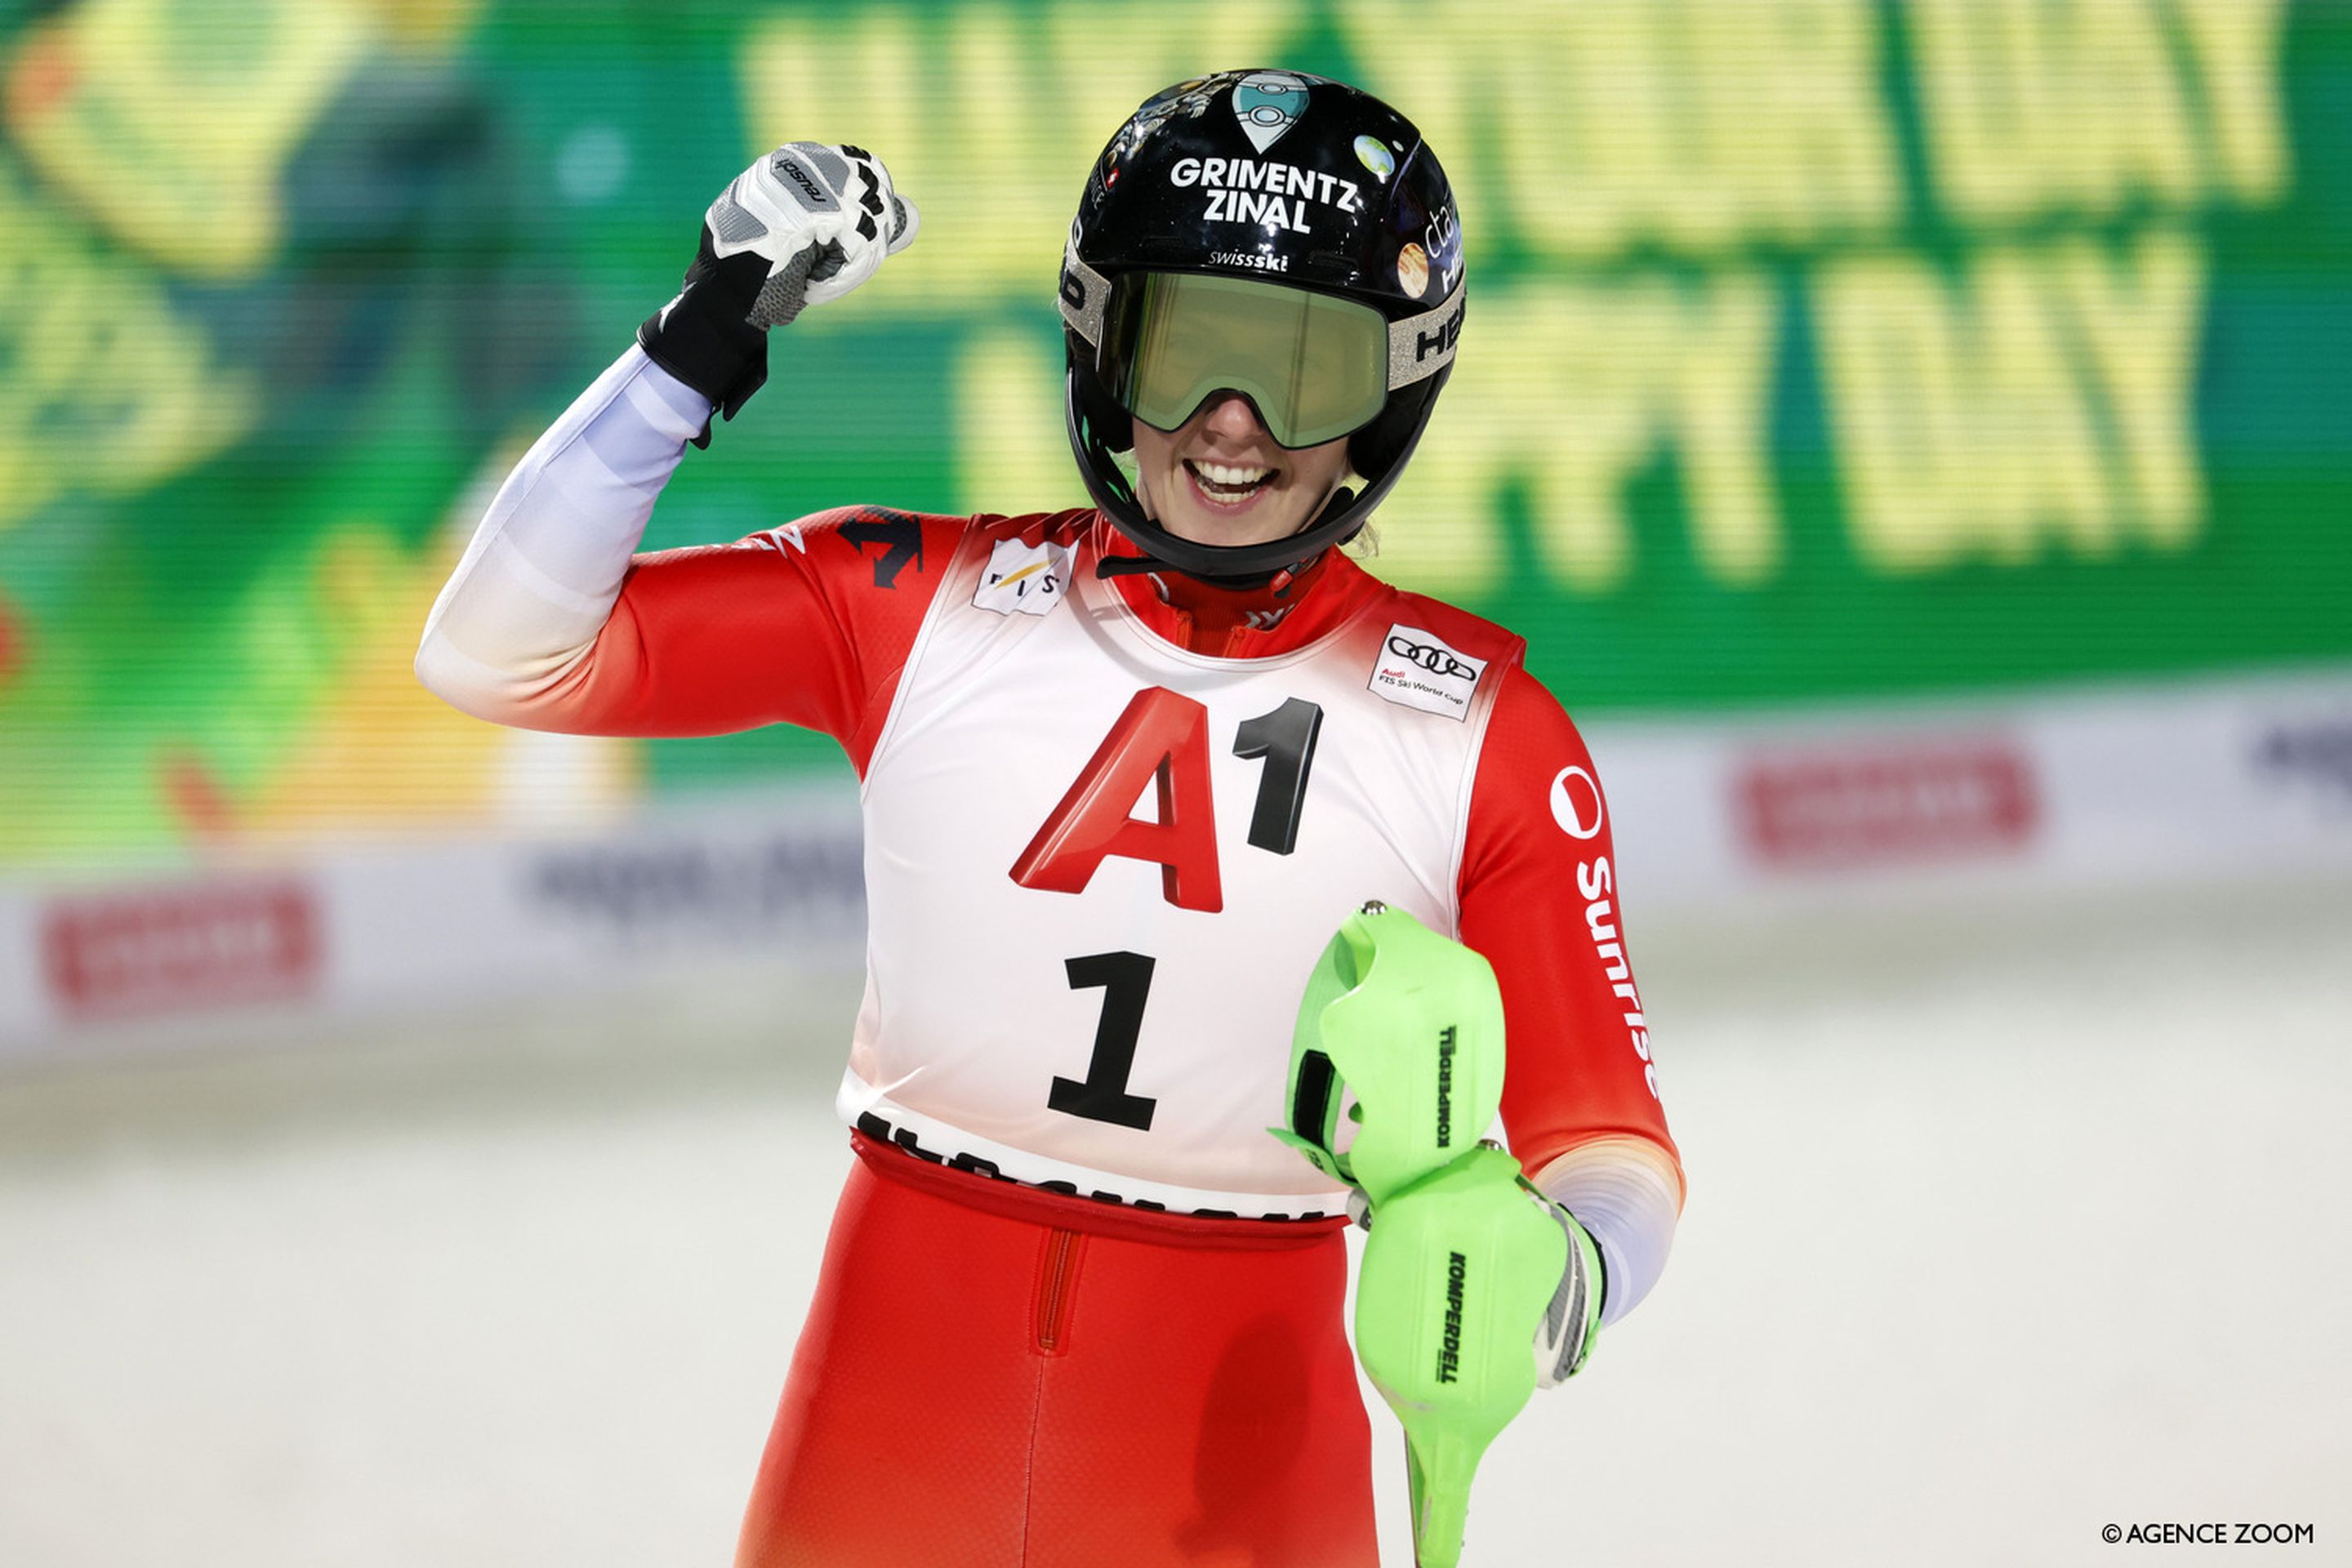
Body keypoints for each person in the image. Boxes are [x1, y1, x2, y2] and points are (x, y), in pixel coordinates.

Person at [417, 71, 1683, 1568]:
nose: (1235, 426)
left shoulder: (1481, 725)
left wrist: (1556, 1273)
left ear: (1393, 396)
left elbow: (1611, 1143)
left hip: (1241, 1442)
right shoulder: (908, 603)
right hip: (896, 1390)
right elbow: (494, 651)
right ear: (1102, 347)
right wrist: (697, 345)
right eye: (1191, 348)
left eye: (1307, 369)